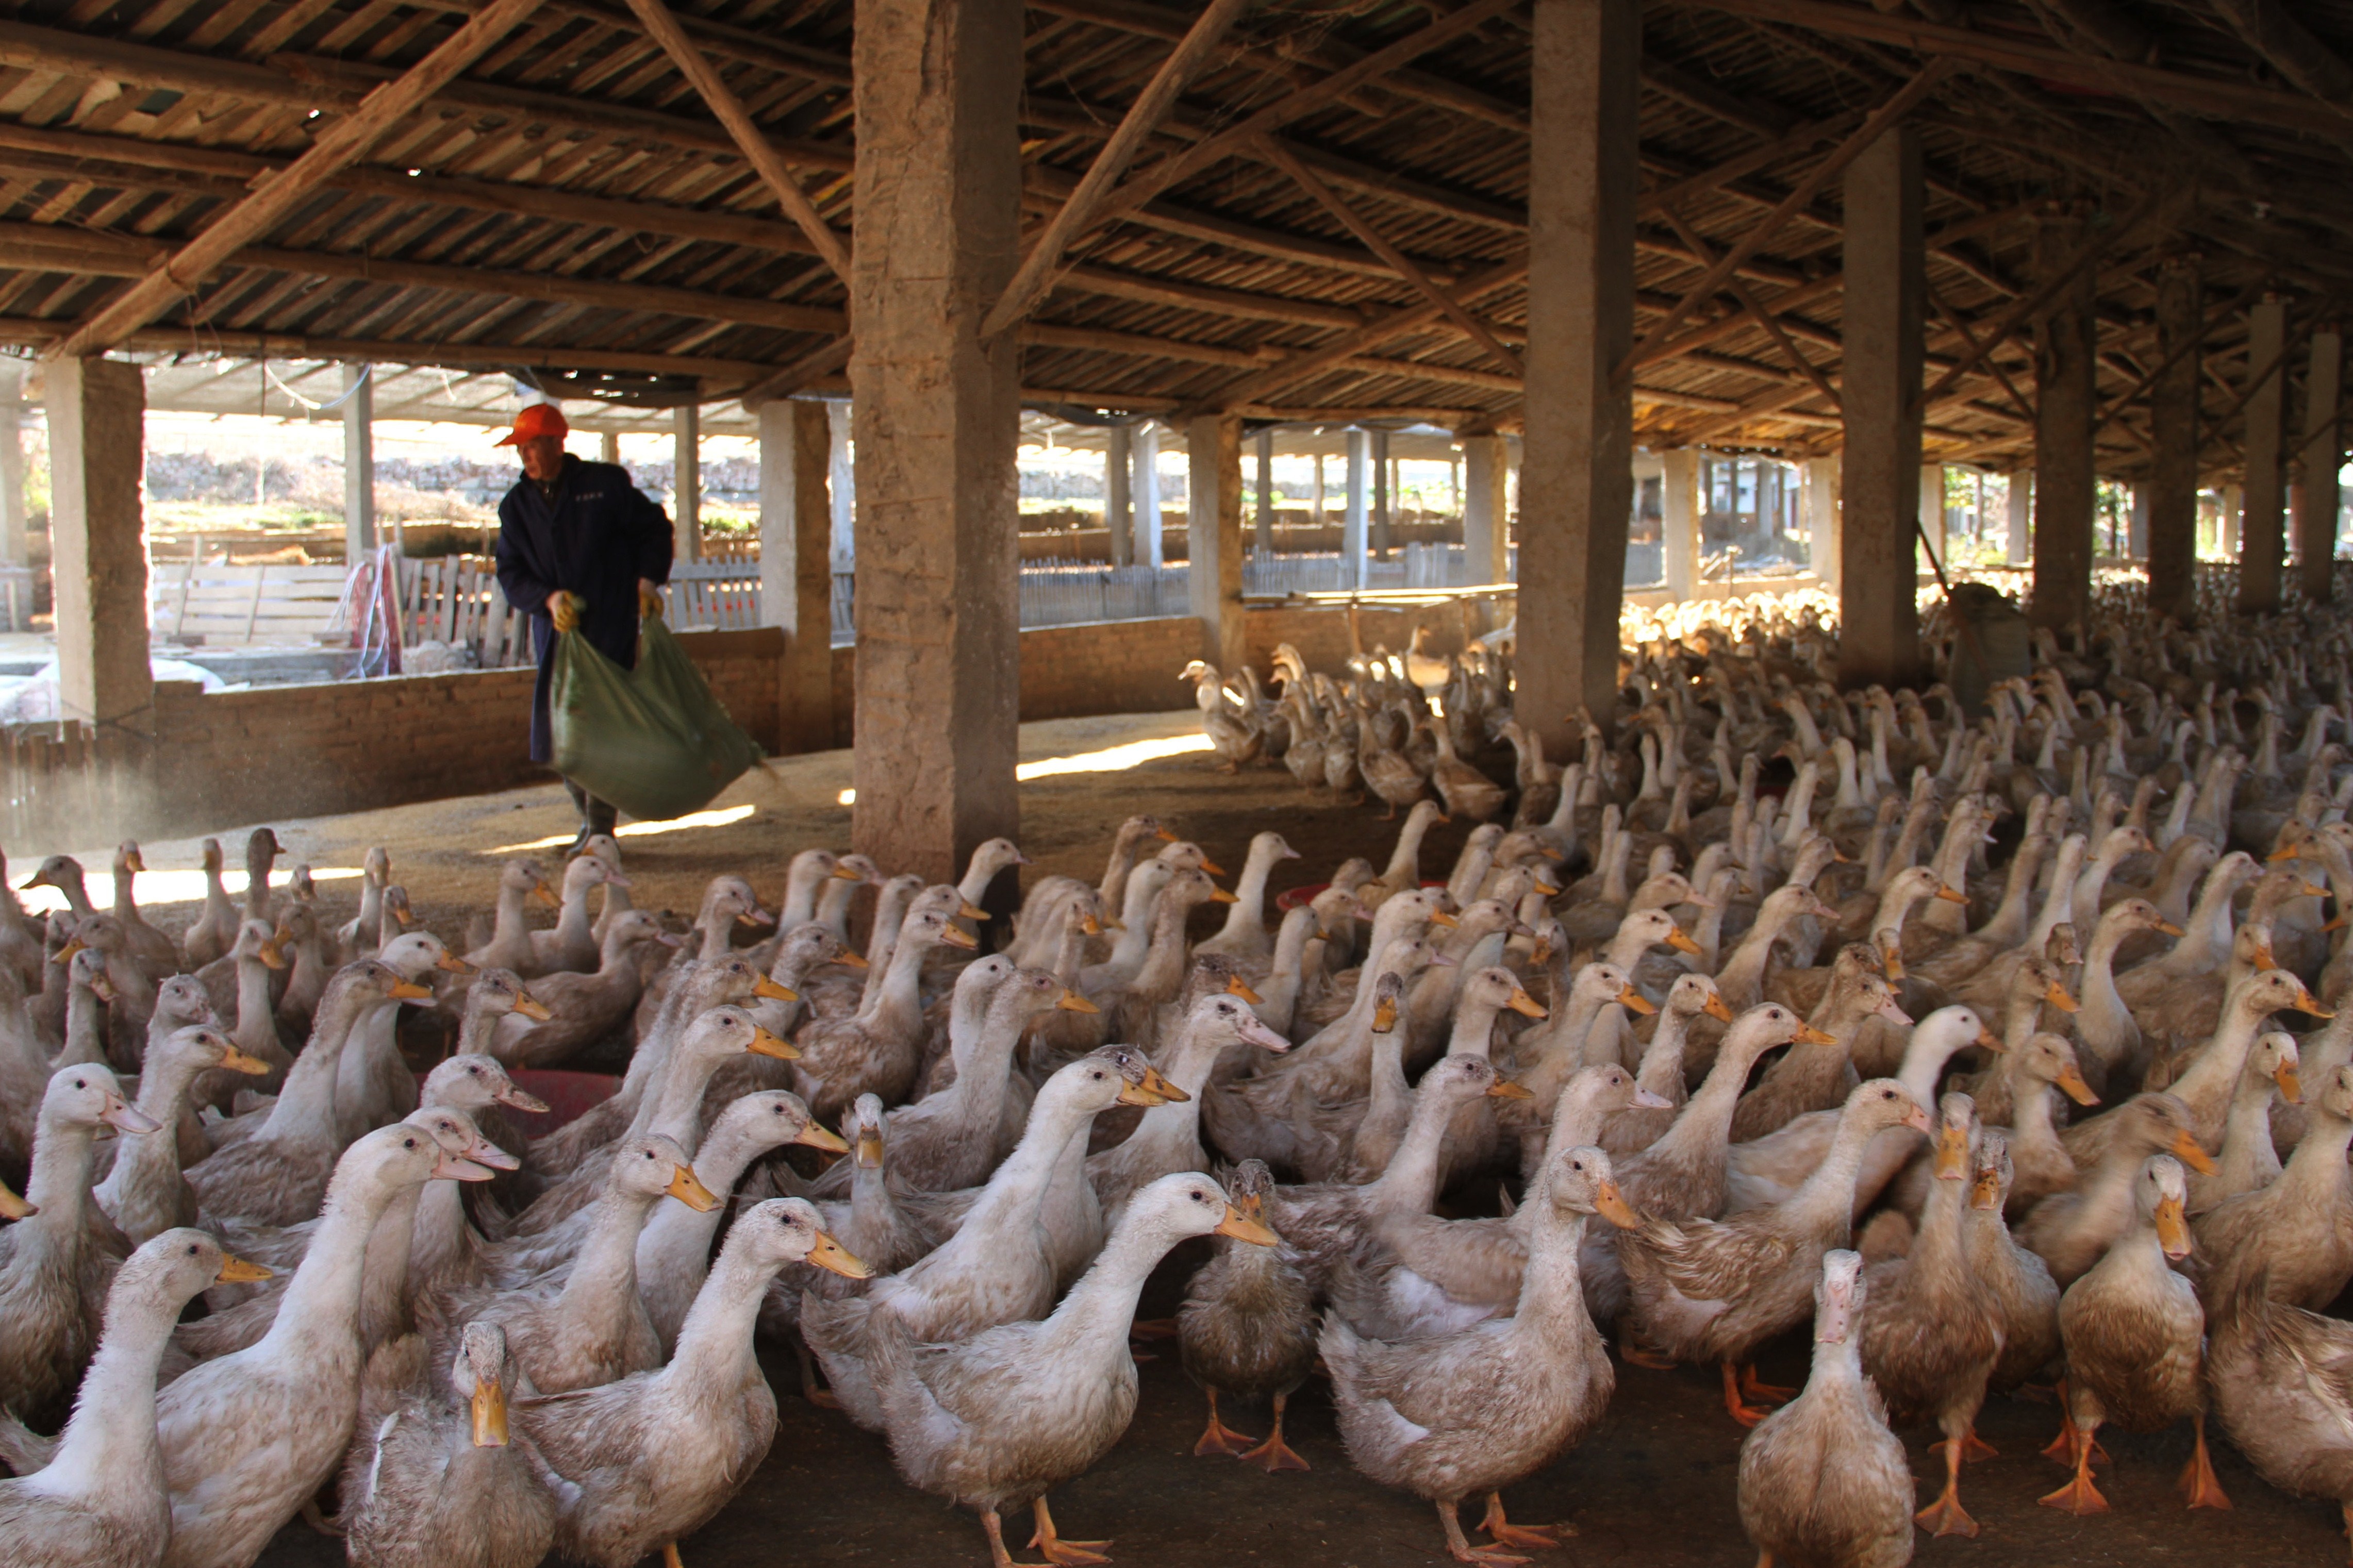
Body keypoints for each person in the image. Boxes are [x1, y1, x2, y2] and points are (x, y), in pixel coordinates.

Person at [491, 403, 674, 854]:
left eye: (534, 447)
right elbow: (511, 573)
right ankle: (589, 824)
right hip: (557, 632)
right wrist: (548, 599)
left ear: (558, 442)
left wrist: (647, 581)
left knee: (602, 728)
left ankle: (601, 831)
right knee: (560, 734)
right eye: (521, 449)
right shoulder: (516, 507)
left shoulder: (604, 486)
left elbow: (654, 530)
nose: (527, 457)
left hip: (610, 623)